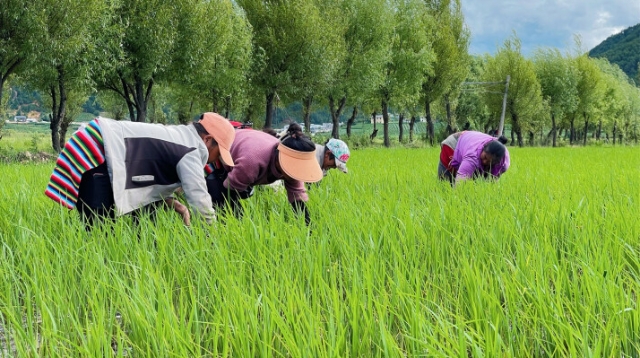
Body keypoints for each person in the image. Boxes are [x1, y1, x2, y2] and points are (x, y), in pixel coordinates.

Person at [45, 112, 236, 227]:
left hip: (98, 143)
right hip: (97, 147)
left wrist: (173, 203)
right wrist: (213, 237)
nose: (215, 160)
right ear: (208, 140)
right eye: (218, 153)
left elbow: (147, 174)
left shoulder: (180, 138)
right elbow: (199, 200)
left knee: (110, 231)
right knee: (99, 230)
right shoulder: (192, 148)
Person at [205, 123, 322, 225]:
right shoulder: (252, 161)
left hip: (245, 152)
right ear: (280, 160)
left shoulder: (292, 167)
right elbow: (230, 189)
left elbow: (298, 199)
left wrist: (308, 227)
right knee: (224, 207)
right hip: (218, 154)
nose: (294, 175)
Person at [438, 131, 510, 184]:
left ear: (496, 162)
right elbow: (461, 180)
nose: (485, 161)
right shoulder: (473, 155)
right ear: (483, 148)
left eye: (489, 162)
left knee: (481, 180)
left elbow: (492, 180)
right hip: (454, 143)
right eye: (484, 157)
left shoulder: (503, 164)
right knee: (446, 182)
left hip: (471, 140)